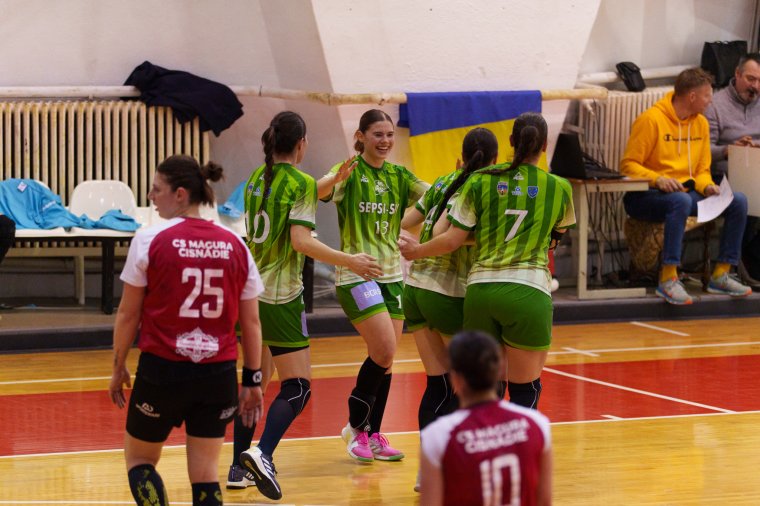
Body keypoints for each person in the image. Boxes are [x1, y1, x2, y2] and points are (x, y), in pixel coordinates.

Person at [237, 111, 383, 499]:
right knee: (298, 387)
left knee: (255, 382)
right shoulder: (300, 182)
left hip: (250, 294)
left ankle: (238, 465)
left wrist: (332, 181)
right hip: (281, 297)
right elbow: (301, 241)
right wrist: (350, 260)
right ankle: (262, 454)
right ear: (301, 144)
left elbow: (290, 197)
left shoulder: (257, 177)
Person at [109, 154, 265, 506]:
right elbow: (252, 322)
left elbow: (128, 314)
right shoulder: (236, 245)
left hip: (163, 372)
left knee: (140, 461)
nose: (150, 196)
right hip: (218, 375)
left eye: (156, 189)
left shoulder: (149, 239)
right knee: (206, 476)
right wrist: (252, 380)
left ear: (180, 194)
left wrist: (118, 366)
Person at [399, 112, 574, 411]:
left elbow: (448, 237)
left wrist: (418, 251)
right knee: (525, 391)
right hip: (528, 290)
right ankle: (515, 442)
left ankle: (477, 441)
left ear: (511, 141)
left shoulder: (481, 179)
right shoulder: (560, 187)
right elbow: (555, 239)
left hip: (480, 291)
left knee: (483, 390)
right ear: (545, 145)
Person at [318, 109, 429, 463]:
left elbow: (435, 197)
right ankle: (355, 427)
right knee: (383, 349)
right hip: (358, 275)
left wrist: (462, 178)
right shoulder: (350, 170)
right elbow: (315, 192)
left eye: (389, 135)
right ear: (361, 136)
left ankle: (373, 434)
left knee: (387, 359)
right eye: (378, 134)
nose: (385, 141)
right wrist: (335, 178)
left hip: (393, 276)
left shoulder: (399, 175)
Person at [621, 67, 752, 305]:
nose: (710, 101)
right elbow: (628, 165)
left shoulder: (700, 123)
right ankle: (668, 277)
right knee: (680, 201)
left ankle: (722, 274)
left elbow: (701, 170)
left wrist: (708, 186)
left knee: (738, 200)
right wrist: (657, 179)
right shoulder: (651, 120)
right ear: (692, 96)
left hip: (685, 194)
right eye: (707, 96)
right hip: (646, 196)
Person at [400, 128, 498, 443]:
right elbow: (446, 238)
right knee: (470, 384)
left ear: (460, 159)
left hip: (414, 289)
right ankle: (462, 453)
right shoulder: (482, 188)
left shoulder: (443, 181)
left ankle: (429, 461)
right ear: (496, 161)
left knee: (438, 384)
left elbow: (405, 221)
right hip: (447, 292)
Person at [419, 330, 552, 506]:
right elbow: (544, 500)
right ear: (500, 370)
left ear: (456, 379)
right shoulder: (537, 424)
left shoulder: (437, 436)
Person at [704, 53, 760, 286]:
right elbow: (703, 150)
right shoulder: (715, 105)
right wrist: (730, 150)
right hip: (722, 174)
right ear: (737, 74)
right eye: (751, 79)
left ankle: (751, 258)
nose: (755, 86)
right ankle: (745, 264)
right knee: (747, 196)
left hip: (756, 170)